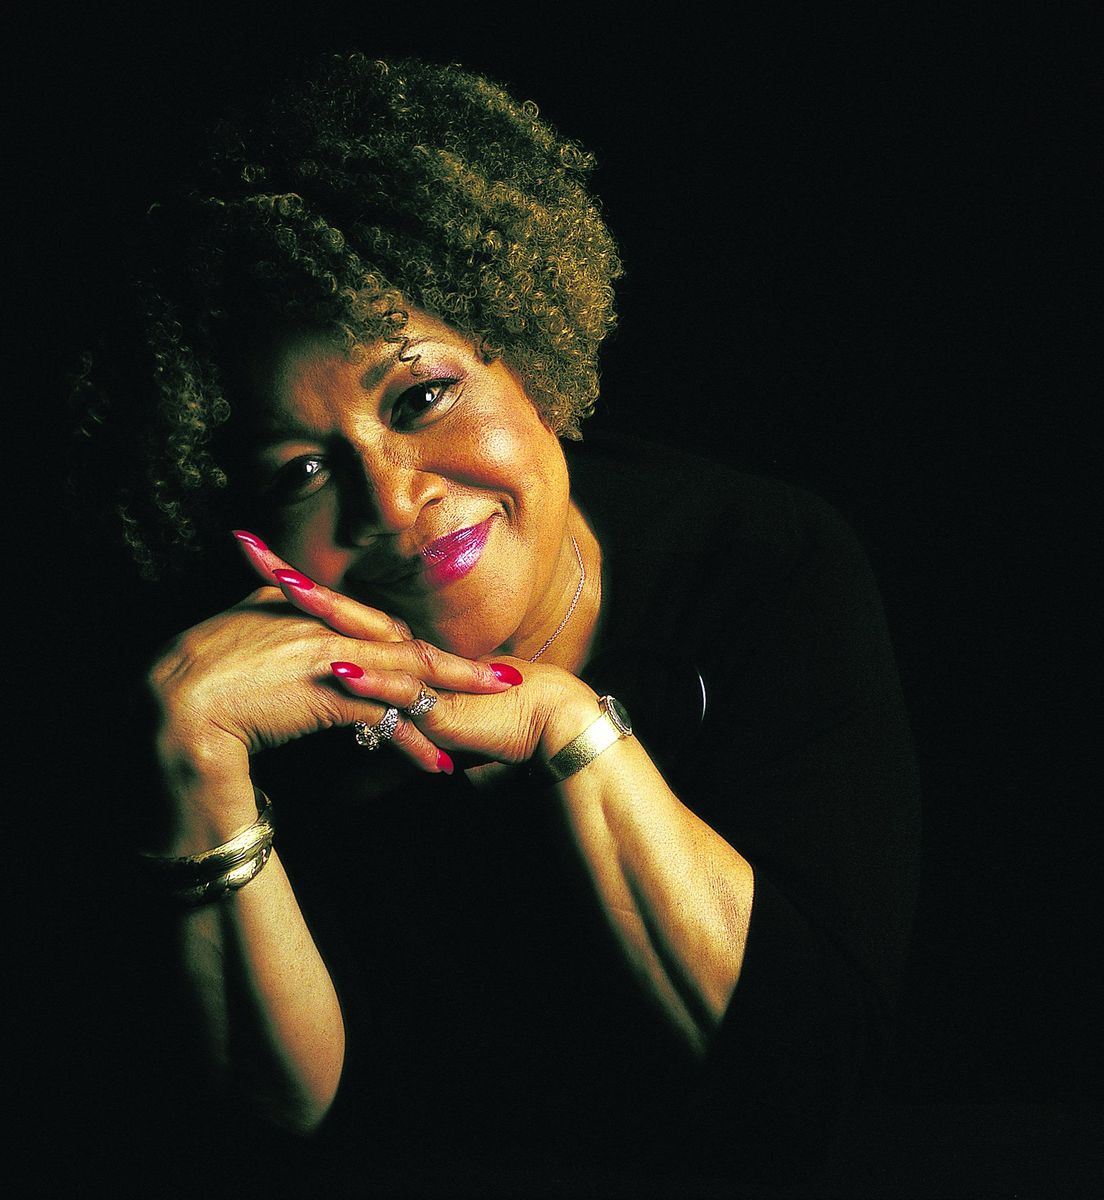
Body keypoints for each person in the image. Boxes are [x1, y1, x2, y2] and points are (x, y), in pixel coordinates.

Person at [75, 53, 921, 1197]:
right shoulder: (240, 698)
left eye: (421, 397)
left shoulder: (762, 563)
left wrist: (569, 732)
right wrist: (193, 763)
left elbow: (804, 1081)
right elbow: (282, 1125)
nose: (389, 502)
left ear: (534, 358)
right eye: (302, 470)